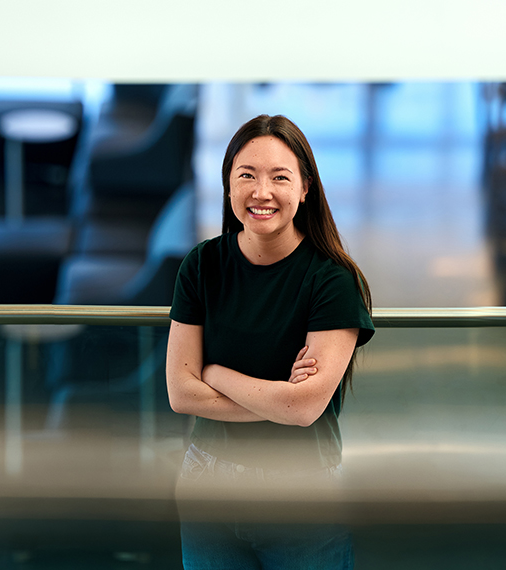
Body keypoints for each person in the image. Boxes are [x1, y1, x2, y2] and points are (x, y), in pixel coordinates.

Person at [166, 114, 375, 569]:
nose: (262, 192)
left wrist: (215, 374)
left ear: (305, 188)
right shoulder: (203, 266)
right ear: (228, 186)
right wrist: (279, 397)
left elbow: (303, 410)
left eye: (280, 177)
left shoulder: (332, 281)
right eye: (247, 175)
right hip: (209, 489)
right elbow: (181, 394)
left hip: (302, 492)